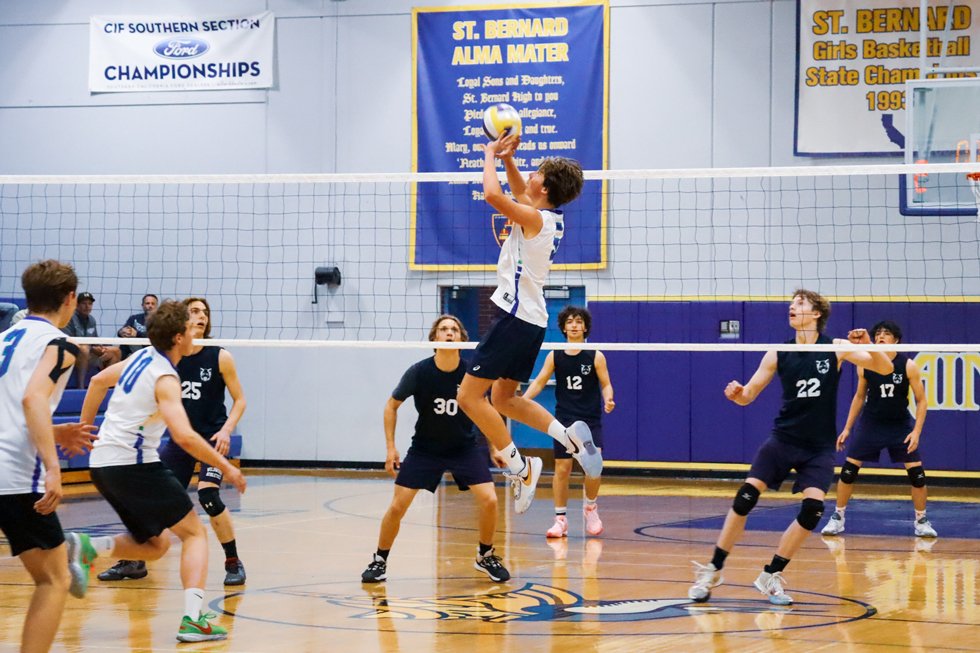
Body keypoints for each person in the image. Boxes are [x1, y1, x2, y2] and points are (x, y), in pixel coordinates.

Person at [687, 290, 894, 606]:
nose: (792, 307)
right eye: (792, 303)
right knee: (745, 498)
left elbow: (885, 369)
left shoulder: (836, 349)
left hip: (818, 447)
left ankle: (770, 574)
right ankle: (713, 569)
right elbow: (749, 394)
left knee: (812, 511)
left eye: (800, 304)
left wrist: (867, 344)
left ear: (816, 314)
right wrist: (738, 393)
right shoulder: (777, 352)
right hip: (783, 440)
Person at [68, 300, 246, 643]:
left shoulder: (139, 358)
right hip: (133, 464)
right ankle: (193, 620)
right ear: (179, 337)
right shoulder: (165, 376)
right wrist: (227, 467)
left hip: (103, 464)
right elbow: (183, 436)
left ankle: (89, 546)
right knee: (194, 534)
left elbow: (97, 382)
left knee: (156, 545)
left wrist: (85, 428)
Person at [456, 132, 599, 516]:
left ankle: (521, 468)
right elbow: (522, 191)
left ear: (546, 186)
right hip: (531, 322)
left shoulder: (535, 218)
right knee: (504, 399)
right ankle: (565, 436)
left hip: (514, 318)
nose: (530, 176)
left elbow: (493, 195)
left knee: (468, 398)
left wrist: (488, 153)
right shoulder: (551, 217)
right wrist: (508, 160)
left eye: (536, 172)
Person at [99, 297, 249, 584]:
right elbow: (103, 379)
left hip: (210, 440)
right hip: (181, 442)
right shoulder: (169, 357)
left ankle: (233, 561)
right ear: (181, 323)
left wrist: (227, 429)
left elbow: (240, 400)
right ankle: (134, 560)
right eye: (194, 311)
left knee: (208, 495)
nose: (201, 316)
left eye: (205, 312)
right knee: (151, 498)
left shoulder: (220, 356)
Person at [361, 315, 510, 583]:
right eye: (443, 330)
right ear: (434, 339)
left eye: (454, 330)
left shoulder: (471, 374)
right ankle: (379, 561)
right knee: (398, 506)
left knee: (490, 499)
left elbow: (485, 412)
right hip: (425, 449)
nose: (449, 333)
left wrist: (495, 448)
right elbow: (391, 406)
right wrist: (391, 448)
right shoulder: (419, 371)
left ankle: (485, 555)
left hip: (463, 447)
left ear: (463, 340)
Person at [0, 260, 98, 653]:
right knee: (55, 579)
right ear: (71, 299)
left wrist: (55, 432)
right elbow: (32, 398)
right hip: (14, 476)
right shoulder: (61, 345)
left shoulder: (5, 339)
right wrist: (54, 468)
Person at [822, 320, 936, 538]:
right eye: (878, 334)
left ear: (896, 340)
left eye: (886, 333)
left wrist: (916, 432)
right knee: (847, 471)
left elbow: (922, 401)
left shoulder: (908, 365)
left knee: (917, 476)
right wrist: (847, 428)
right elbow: (859, 396)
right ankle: (838, 517)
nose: (881, 336)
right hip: (871, 425)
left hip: (899, 426)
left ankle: (921, 520)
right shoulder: (865, 364)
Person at [523, 306, 615, 538]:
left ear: (585, 327)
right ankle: (560, 520)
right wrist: (522, 400)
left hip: (590, 420)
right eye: (570, 321)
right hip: (564, 420)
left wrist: (609, 398)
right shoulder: (555, 355)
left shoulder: (596, 355)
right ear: (564, 327)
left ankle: (591, 509)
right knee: (562, 468)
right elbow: (540, 381)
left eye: (579, 321)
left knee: (593, 468)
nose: (574, 325)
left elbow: (605, 383)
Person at [62, 292, 121, 388]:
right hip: (73, 353)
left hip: (89, 352)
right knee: (84, 348)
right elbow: (69, 341)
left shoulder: (92, 320)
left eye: (90, 304)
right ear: (77, 305)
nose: (87, 306)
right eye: (84, 303)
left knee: (116, 351)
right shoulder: (70, 318)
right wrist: (92, 348)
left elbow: (95, 340)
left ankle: (107, 386)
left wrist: (101, 348)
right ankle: (81, 388)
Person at [118, 294, 158, 358]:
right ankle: (121, 362)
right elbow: (121, 333)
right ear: (142, 305)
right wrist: (122, 332)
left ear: (156, 306)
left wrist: (136, 333)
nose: (150, 306)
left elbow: (156, 337)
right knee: (126, 340)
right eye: (147, 303)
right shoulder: (134, 318)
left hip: (151, 350)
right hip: (132, 350)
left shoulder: (160, 320)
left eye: (153, 304)